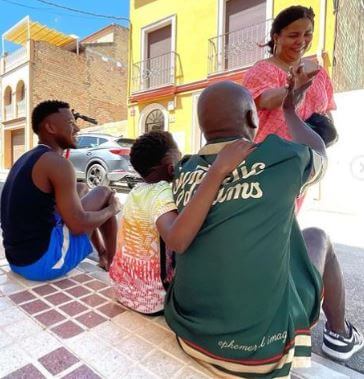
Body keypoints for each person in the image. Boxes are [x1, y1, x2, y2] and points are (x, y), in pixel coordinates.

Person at [164, 80, 363, 378]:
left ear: (203, 126)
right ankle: (340, 335)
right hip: (256, 351)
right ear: (251, 118)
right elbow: (319, 151)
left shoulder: (184, 170)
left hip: (189, 333)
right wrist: (289, 111)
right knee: (317, 237)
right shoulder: (282, 157)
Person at [109, 130, 255, 315]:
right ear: (171, 168)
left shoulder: (137, 190)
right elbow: (177, 241)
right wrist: (218, 171)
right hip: (152, 300)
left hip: (123, 290)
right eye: (180, 157)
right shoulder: (162, 192)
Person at [0, 100, 121, 281]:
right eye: (71, 123)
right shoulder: (58, 164)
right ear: (50, 127)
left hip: (17, 260)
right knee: (104, 193)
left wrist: (82, 195)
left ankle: (102, 254)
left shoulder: (27, 157)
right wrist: (112, 209)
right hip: (43, 263)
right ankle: (113, 264)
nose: (77, 129)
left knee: (81, 187)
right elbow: (78, 224)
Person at [243, 5, 336, 144]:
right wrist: (294, 88)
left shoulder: (319, 72)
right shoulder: (262, 69)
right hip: (273, 158)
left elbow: (327, 109)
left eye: (307, 34)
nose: (301, 41)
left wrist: (330, 134)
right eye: (293, 35)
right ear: (276, 37)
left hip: (310, 159)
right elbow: (265, 100)